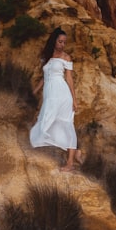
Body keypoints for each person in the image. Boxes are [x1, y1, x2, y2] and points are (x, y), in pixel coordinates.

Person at [29, 27, 82, 172]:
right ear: (54, 41)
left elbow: (69, 79)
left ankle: (70, 163)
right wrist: (34, 92)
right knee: (47, 121)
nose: (62, 45)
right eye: (60, 42)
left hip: (62, 94)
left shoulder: (66, 58)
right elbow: (44, 79)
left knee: (66, 124)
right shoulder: (46, 57)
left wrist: (74, 99)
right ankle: (76, 152)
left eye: (64, 42)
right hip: (50, 95)